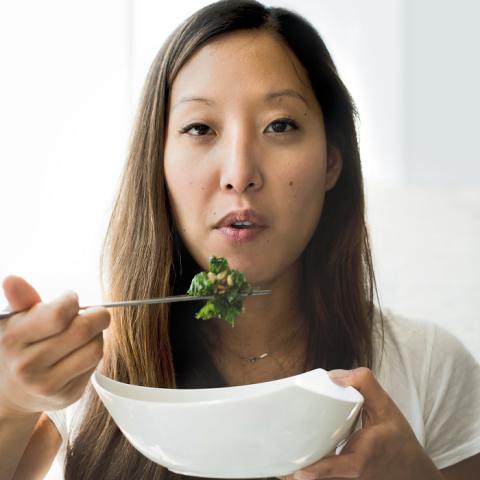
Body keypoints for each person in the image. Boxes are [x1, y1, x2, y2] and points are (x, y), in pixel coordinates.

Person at [1, 1, 479, 479]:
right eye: (200, 128)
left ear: (333, 162)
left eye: (280, 125)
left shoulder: (428, 366)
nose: (239, 174)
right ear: (157, 162)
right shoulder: (83, 376)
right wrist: (11, 401)